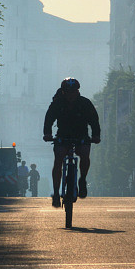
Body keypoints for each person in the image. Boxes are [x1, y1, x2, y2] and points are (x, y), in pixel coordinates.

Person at [43, 77, 101, 208]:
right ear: (63, 92)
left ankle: (82, 179)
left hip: (81, 135)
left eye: (73, 92)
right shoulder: (57, 103)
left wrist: (96, 136)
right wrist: (47, 133)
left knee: (85, 154)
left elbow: (94, 121)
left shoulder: (85, 103)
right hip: (63, 136)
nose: (70, 95)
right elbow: (49, 119)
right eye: (68, 92)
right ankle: (56, 193)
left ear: (77, 92)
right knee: (58, 159)